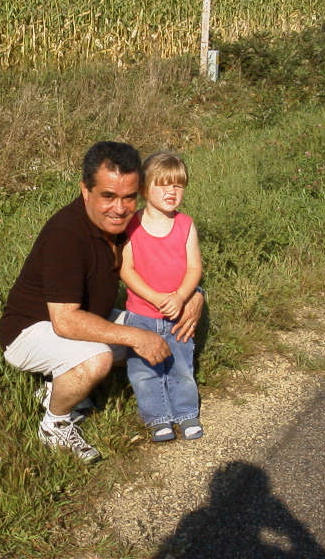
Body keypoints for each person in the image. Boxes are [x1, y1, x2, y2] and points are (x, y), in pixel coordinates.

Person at [0, 141, 204, 463]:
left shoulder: (124, 225)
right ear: (85, 190)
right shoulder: (66, 235)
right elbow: (64, 321)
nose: (119, 208)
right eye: (108, 196)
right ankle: (55, 424)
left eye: (128, 197)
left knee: (161, 329)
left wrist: (195, 296)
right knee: (99, 358)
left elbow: (170, 267)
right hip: (31, 331)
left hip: (85, 316)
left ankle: (57, 384)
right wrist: (137, 336)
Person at [120, 152, 204, 442]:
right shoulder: (132, 224)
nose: (172, 191)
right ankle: (158, 419)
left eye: (178, 186)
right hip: (141, 313)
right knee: (144, 371)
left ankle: (185, 414)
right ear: (144, 188)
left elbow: (194, 267)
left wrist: (181, 296)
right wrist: (155, 297)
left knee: (180, 366)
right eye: (163, 185)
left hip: (178, 313)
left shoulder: (185, 224)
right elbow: (126, 269)